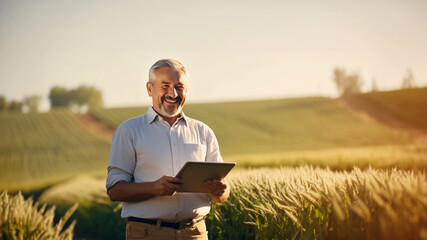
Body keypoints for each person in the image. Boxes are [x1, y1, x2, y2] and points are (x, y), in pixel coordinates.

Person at [106, 58, 230, 240]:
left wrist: (221, 190)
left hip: (195, 233)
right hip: (148, 233)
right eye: (165, 86)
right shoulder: (129, 131)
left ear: (186, 90)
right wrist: (154, 188)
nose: (173, 93)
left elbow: (223, 192)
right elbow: (114, 191)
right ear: (150, 89)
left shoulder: (204, 131)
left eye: (179, 87)